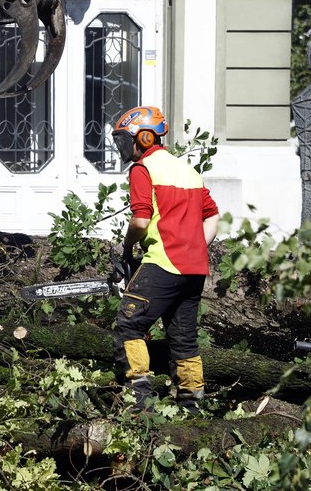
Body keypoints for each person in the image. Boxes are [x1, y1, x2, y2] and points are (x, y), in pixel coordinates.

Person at [110, 106, 220, 413]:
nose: (123, 147)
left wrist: (127, 246)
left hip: (163, 263)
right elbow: (213, 216)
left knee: (129, 325)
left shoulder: (143, 169)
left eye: (125, 140)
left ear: (144, 138)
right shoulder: (188, 172)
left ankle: (138, 401)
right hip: (194, 269)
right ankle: (192, 407)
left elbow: (141, 220)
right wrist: (197, 244)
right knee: (183, 339)